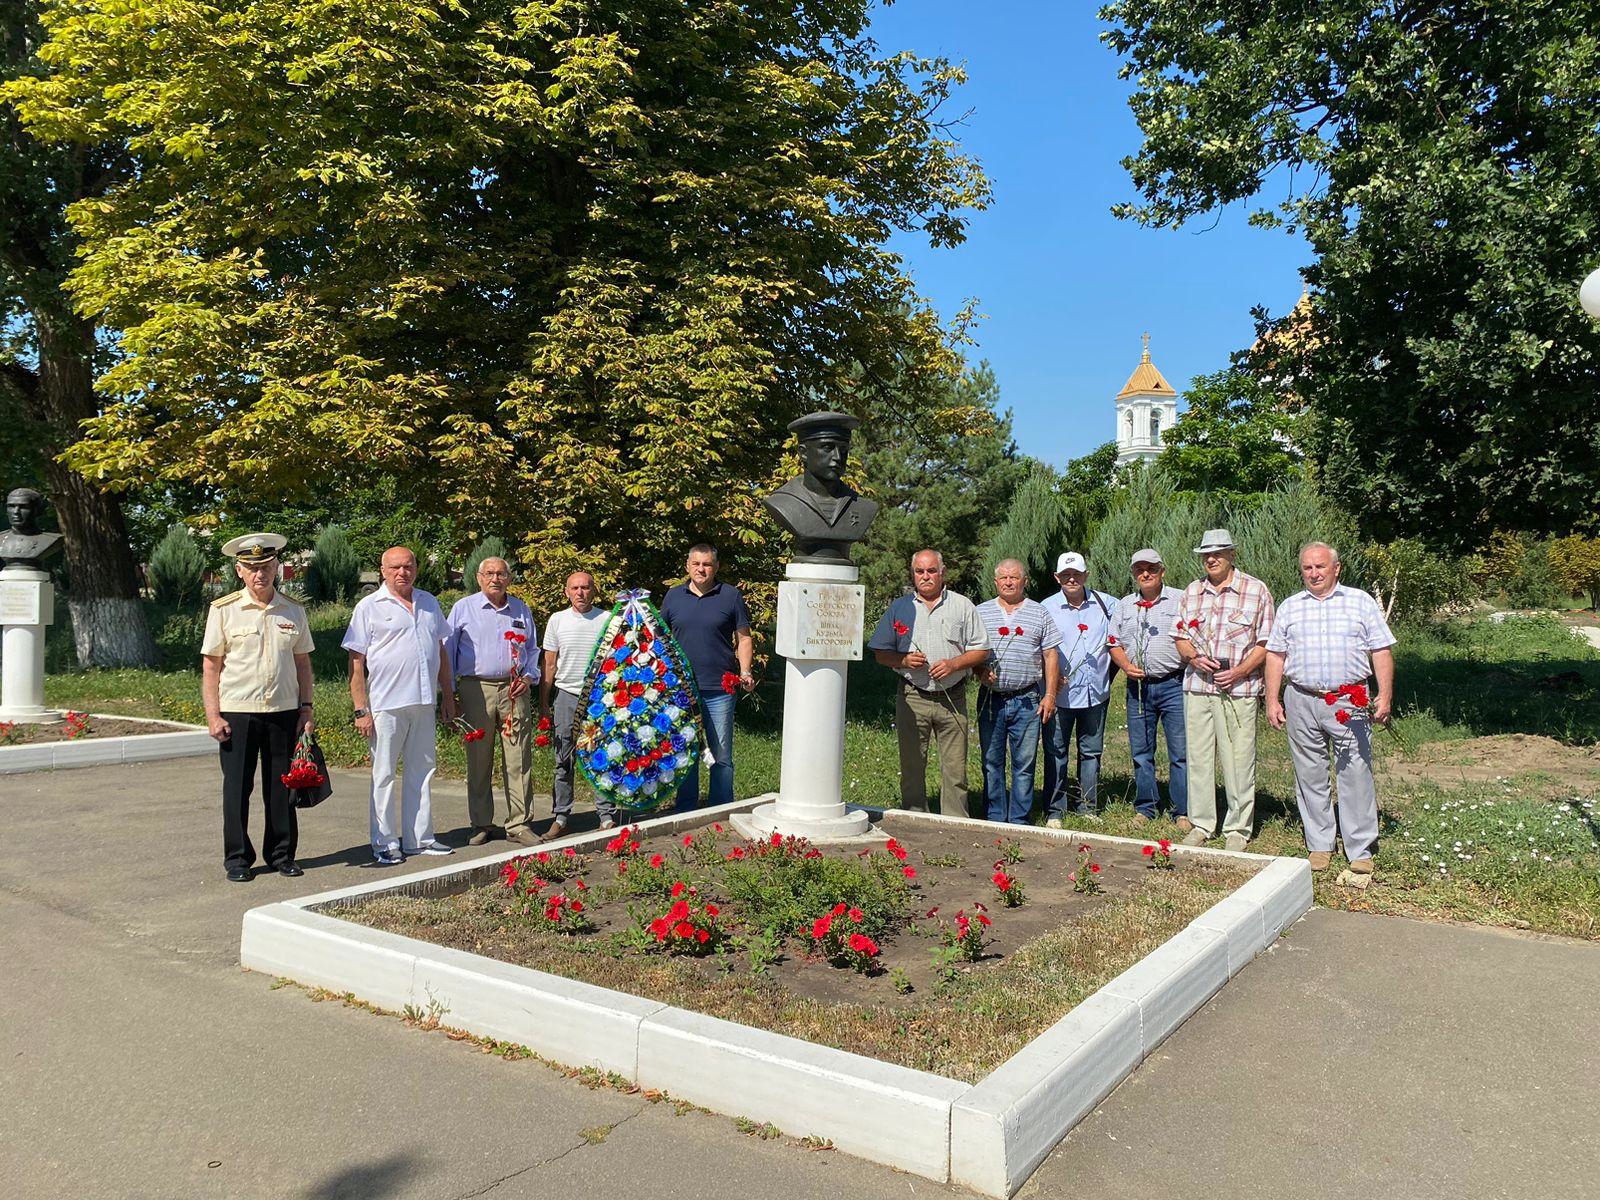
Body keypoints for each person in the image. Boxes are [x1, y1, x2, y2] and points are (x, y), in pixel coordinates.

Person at [1265, 542, 1396, 876]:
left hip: (1349, 700)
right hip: (1302, 697)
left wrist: (1385, 695)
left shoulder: (1360, 602)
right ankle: (1320, 843)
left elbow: (1380, 650)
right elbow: (1276, 655)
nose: (1314, 573)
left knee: (1355, 773)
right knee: (1309, 773)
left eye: (1320, 567)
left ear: (1336, 568)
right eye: (1307, 568)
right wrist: (1272, 698)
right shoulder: (1291, 607)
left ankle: (1360, 846)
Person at [201, 532, 314, 882]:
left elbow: (303, 665)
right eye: (251, 567)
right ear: (239, 570)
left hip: (283, 711)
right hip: (238, 711)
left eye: (265, 566)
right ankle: (237, 859)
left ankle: (281, 854)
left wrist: (307, 709)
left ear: (277, 566)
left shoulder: (293, 611)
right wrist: (213, 714)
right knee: (237, 788)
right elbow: (211, 666)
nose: (259, 574)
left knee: (282, 788)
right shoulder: (224, 611)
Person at [343, 546, 457, 865]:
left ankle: (419, 838)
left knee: (422, 771)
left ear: (416, 569)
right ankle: (384, 842)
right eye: (395, 567)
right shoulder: (369, 607)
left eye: (408, 566)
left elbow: (441, 652)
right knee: (384, 774)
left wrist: (448, 696)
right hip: (385, 704)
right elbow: (356, 663)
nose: (402, 573)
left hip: (423, 701)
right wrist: (360, 708)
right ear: (383, 570)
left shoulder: (429, 602)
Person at [1172, 529, 1275, 852]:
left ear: (1232, 554)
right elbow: (1179, 636)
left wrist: (1241, 671)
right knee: (1200, 759)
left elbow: (1267, 642)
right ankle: (1202, 823)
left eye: (1218, 553)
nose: (1211, 559)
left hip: (1239, 689)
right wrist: (1193, 656)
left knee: (1238, 759)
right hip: (1198, 687)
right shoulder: (1191, 592)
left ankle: (1237, 828)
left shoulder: (1255, 591)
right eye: (1206, 554)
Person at [868, 549, 990, 814]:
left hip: (952, 697)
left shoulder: (962, 605)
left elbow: (982, 650)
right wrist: (903, 660)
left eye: (931, 571)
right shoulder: (900, 607)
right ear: (913, 574)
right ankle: (914, 818)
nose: (926, 576)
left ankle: (956, 823)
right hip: (913, 696)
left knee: (955, 768)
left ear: (942, 572)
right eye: (920, 571)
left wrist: (953, 664)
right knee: (912, 765)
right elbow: (879, 653)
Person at [446, 557, 540, 846]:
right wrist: (450, 694)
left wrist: (528, 677)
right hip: (476, 688)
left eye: (501, 573)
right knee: (478, 757)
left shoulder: (520, 609)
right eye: (489, 573)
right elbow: (447, 654)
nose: (495, 578)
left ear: (509, 578)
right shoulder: (463, 609)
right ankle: (481, 823)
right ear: (478, 577)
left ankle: (519, 824)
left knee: (518, 758)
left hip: (514, 689)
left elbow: (533, 650)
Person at [658, 544, 754, 810]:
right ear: (688, 566)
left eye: (707, 564)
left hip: (719, 688)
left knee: (721, 754)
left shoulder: (731, 596)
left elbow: (744, 638)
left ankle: (720, 808)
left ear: (716, 567)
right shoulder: (673, 597)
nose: (701, 569)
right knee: (686, 750)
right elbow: (659, 639)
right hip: (681, 689)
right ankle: (686, 807)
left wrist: (745, 672)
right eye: (696, 564)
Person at [974, 559, 1060, 824]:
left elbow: (1051, 654)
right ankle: (996, 816)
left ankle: (1020, 818)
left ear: (1025, 581)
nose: (1009, 582)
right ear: (995, 582)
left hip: (1027, 698)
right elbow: (970, 651)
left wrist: (1050, 695)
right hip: (991, 698)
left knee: (1024, 763)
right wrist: (979, 671)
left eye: (1014, 577)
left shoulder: (1039, 612)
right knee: (991, 760)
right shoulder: (980, 612)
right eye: (1003, 578)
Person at [1108, 549, 1189, 827]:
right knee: (1141, 751)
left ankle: (1183, 811)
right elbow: (1113, 642)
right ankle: (1146, 807)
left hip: (1173, 684)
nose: (1145, 574)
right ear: (1133, 573)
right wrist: (1126, 666)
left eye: (1151, 569)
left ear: (1162, 571)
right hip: (1138, 688)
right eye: (1139, 569)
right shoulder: (1124, 605)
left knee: (1180, 752)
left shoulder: (1180, 600)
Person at [540, 570, 620, 835]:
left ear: (593, 590)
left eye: (585, 588)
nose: (580, 593)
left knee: (601, 757)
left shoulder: (607, 619)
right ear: (566, 592)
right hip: (566, 697)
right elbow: (549, 664)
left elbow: (616, 662)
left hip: (599, 699)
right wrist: (544, 702)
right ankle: (561, 816)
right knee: (563, 757)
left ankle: (606, 815)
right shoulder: (557, 620)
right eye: (574, 588)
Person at [1039, 552, 1115, 825]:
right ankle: (1055, 810)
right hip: (1059, 697)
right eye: (1066, 575)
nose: (1072, 579)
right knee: (1056, 752)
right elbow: (1038, 650)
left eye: (1077, 574)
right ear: (1057, 577)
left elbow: (1124, 631)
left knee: (1091, 752)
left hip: (1096, 693)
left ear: (1086, 575)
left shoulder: (1107, 604)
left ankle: (1087, 807)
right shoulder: (1045, 608)